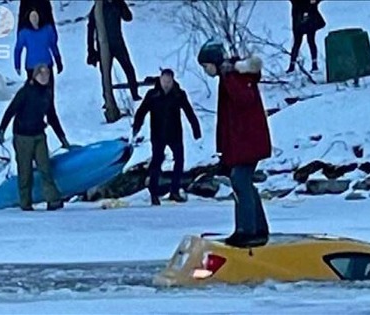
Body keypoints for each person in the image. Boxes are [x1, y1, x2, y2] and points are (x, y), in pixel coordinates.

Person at [197, 41, 272, 247]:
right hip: (244, 142)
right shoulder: (228, 77)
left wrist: (230, 80)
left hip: (248, 141)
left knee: (240, 181)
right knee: (243, 181)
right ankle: (257, 228)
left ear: (214, 62)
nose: (206, 71)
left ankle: (248, 230)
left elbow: (244, 101)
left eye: (206, 66)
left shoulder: (232, 77)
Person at [0, 64, 71, 211]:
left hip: (39, 135)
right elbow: (11, 111)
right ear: (34, 75)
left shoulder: (47, 93)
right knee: (25, 171)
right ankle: (25, 202)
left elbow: (52, 117)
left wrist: (62, 138)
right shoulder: (25, 92)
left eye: (47, 74)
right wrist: (1, 130)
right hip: (22, 136)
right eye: (41, 74)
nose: (44, 77)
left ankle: (53, 200)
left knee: (45, 168)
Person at [132, 69, 202, 206]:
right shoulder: (152, 95)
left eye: (169, 82)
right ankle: (154, 193)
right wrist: (136, 127)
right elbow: (141, 112)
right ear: (160, 79)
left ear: (173, 80)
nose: (166, 84)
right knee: (156, 163)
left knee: (179, 161)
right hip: (158, 134)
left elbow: (189, 111)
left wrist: (196, 129)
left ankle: (174, 191)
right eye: (164, 81)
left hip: (175, 133)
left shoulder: (178, 94)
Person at [86, 0, 142, 101]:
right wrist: (91, 50)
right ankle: (108, 100)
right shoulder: (98, 7)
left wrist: (121, 4)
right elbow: (90, 28)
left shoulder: (117, 3)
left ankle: (135, 93)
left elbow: (128, 17)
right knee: (105, 74)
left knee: (128, 68)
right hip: (103, 46)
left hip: (118, 43)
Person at [14, 9, 63, 82]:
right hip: (32, 67)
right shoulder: (24, 33)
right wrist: (17, 65)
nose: (34, 19)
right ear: (29, 18)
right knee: (34, 92)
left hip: (47, 64)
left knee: (48, 91)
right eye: (32, 17)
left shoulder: (47, 29)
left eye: (36, 16)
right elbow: (18, 49)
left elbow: (53, 46)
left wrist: (58, 61)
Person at [287, 0, 326, 73]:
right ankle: (293, 65)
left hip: (306, 20)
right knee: (300, 43)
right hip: (300, 20)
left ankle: (293, 66)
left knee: (305, 42)